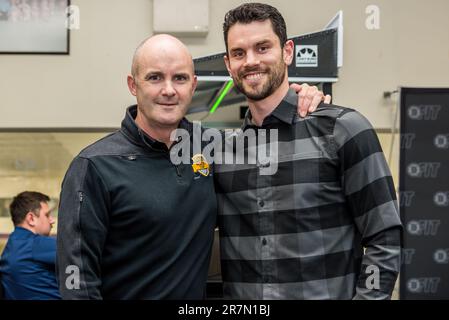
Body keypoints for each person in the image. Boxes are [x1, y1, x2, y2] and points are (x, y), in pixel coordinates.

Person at [56, 33, 328, 299]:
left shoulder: (214, 148)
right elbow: (76, 278)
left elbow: (271, 142)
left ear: (193, 85)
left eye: (180, 78)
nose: (168, 90)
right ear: (133, 85)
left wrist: (301, 96)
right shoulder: (94, 166)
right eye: (154, 77)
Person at [214, 2, 402, 300]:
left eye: (262, 47)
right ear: (228, 64)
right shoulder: (223, 155)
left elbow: (386, 238)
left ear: (287, 51)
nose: (250, 61)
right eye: (239, 53)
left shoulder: (344, 130)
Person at [0, 191, 60, 300]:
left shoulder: (10, 248)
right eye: (47, 215)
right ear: (31, 218)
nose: (52, 221)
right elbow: (84, 250)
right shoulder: (34, 245)